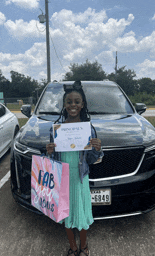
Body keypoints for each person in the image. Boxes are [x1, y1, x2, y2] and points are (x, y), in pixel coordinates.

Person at [46, 81, 103, 256]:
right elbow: (52, 160)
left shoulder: (88, 130)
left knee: (82, 213)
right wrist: (49, 152)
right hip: (62, 179)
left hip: (79, 178)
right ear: (64, 105)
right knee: (66, 216)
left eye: (77, 102)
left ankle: (84, 247)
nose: (73, 105)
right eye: (69, 102)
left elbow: (93, 159)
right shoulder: (56, 130)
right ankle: (72, 247)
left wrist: (98, 149)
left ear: (82, 104)